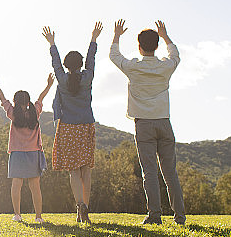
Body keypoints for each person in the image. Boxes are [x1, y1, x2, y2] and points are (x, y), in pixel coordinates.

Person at [109, 19, 186, 226]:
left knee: (149, 172)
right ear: (157, 46)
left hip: (143, 125)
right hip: (164, 123)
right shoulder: (165, 67)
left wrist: (116, 35)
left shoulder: (133, 67)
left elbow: (114, 56)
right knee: (170, 172)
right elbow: (175, 55)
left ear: (139, 47)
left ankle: (155, 215)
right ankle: (179, 217)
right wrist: (165, 36)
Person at [42, 22, 102, 224]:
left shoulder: (62, 80)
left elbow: (55, 64)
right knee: (86, 170)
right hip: (86, 125)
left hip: (67, 127)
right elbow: (91, 60)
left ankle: (80, 206)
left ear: (67, 65)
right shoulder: (88, 77)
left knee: (74, 170)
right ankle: (85, 209)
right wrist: (93, 39)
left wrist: (52, 43)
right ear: (81, 64)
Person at [0, 71, 54, 224]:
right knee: (35, 186)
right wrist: (49, 85)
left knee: (16, 184)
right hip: (33, 153)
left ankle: (17, 215)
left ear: (15, 102)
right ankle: (38, 217)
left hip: (17, 153)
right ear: (28, 102)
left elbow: (2, 98)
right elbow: (41, 97)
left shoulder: (12, 113)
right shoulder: (35, 113)